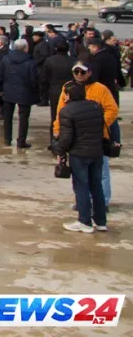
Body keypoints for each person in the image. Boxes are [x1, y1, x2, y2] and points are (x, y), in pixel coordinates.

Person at [54, 62, 119, 211]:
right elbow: (60, 112)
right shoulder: (68, 88)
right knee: (80, 175)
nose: (79, 75)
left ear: (89, 72)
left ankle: (103, 202)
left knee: (101, 172)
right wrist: (57, 130)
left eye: (82, 72)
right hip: (76, 139)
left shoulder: (100, 89)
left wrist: (101, 124)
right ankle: (83, 202)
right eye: (76, 72)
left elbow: (112, 109)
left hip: (97, 137)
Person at [56, 81, 107, 233]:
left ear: (68, 95)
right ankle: (101, 221)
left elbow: (66, 137)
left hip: (79, 154)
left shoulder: (67, 111)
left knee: (81, 186)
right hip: (97, 152)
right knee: (96, 186)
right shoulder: (96, 107)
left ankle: (84, 221)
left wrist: (60, 151)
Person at [0, 39, 39, 149]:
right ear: (26, 48)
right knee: (23, 117)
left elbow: (0, 74)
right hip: (25, 92)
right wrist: (35, 91)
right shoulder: (30, 61)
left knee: (8, 117)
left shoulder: (6, 59)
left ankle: (7, 139)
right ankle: (21, 140)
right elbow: (34, 79)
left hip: (8, 90)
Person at [42, 42, 74, 151]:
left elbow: (44, 78)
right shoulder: (73, 61)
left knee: (55, 117)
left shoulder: (50, 61)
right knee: (71, 117)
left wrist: (44, 93)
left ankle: (54, 141)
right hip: (71, 92)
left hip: (54, 92)